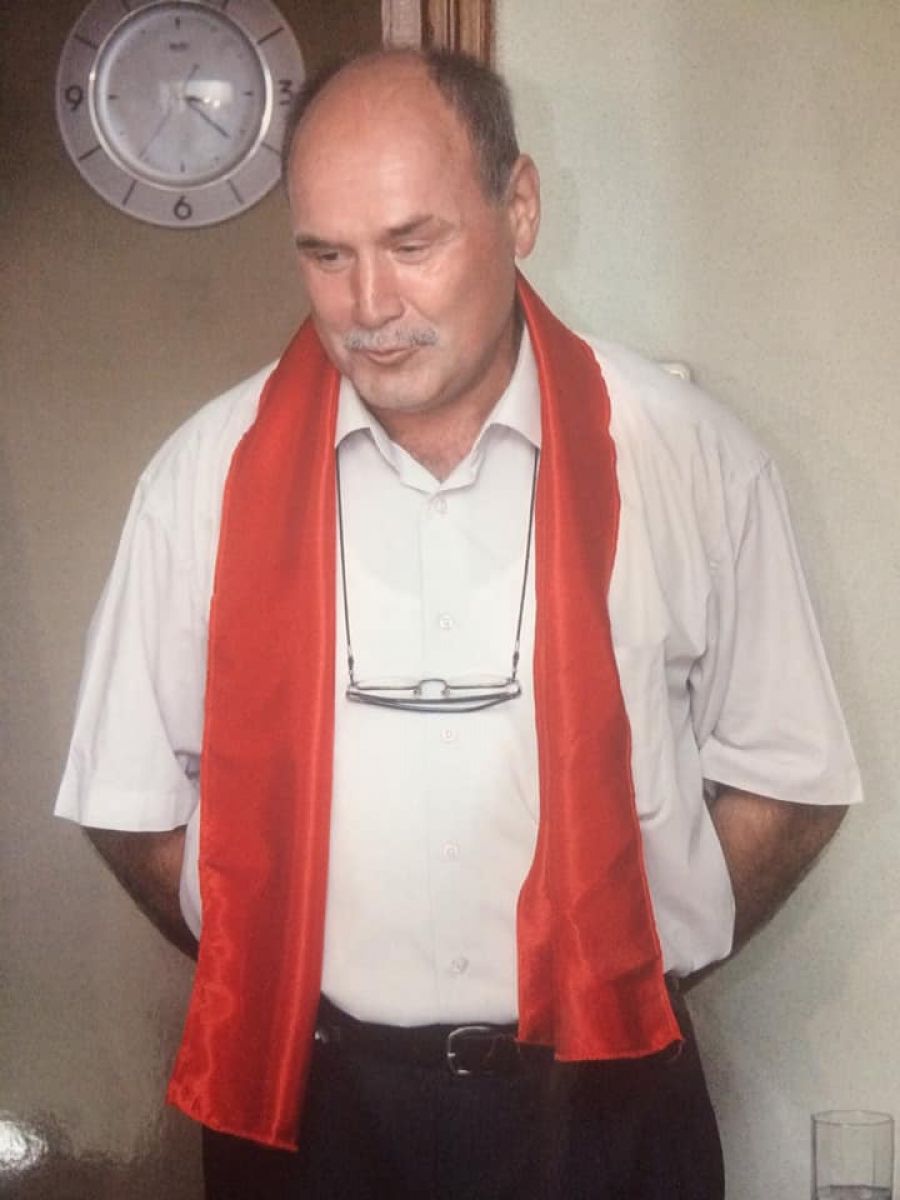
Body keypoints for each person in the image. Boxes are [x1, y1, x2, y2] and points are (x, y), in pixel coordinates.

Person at [56, 48, 861, 1199]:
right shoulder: (203, 477)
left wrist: (632, 959)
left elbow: (792, 778)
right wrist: (270, 957)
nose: (368, 307)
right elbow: (128, 800)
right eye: (327, 255)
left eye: (411, 244)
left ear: (518, 207)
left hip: (609, 1103)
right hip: (305, 1106)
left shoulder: (690, 459)